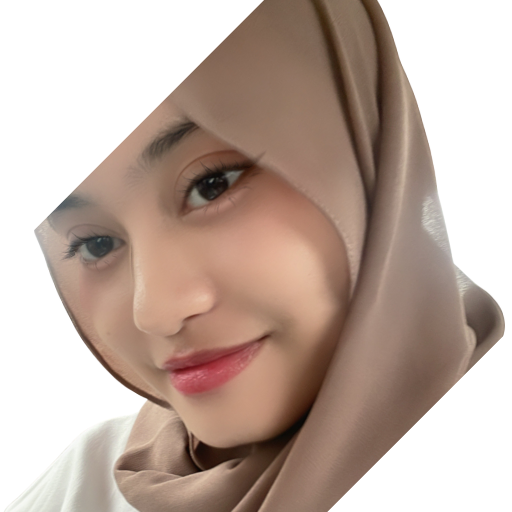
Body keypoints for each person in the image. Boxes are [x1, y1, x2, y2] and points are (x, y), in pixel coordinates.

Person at [11, 0, 506, 510]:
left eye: (212, 184)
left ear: (368, 145)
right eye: (95, 243)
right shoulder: (82, 487)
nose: (156, 311)